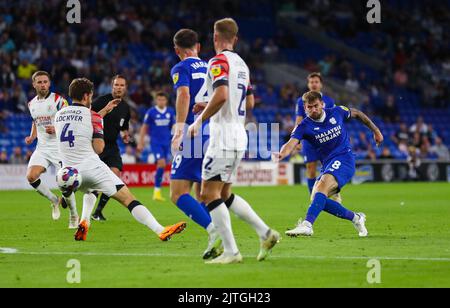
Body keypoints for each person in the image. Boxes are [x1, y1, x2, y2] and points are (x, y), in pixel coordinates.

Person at [188, 18, 280, 264]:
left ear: (215, 37)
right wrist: (212, 105)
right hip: (239, 135)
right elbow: (249, 102)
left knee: (206, 193)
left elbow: (221, 94)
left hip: (223, 136)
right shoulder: (242, 64)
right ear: (235, 39)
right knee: (224, 193)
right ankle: (266, 233)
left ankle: (231, 252)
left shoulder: (218, 61)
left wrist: (199, 121)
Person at [54, 77, 186, 242]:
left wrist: (102, 114)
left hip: (69, 173)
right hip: (91, 167)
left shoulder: (59, 115)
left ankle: (84, 221)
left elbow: (79, 122)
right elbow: (99, 148)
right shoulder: (93, 117)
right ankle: (160, 230)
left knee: (90, 190)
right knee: (128, 198)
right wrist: (98, 126)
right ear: (87, 96)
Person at [274, 91, 384, 237]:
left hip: (345, 158)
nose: (313, 110)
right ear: (305, 108)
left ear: (322, 104)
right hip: (328, 164)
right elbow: (290, 143)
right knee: (317, 199)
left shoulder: (337, 112)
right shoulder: (304, 126)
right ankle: (356, 218)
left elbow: (357, 113)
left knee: (322, 187)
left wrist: (375, 130)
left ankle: (307, 225)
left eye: (316, 106)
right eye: (309, 107)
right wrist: (282, 153)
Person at [168, 28, 222, 260]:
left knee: (178, 192)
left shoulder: (181, 67)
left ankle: (215, 232)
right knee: (204, 193)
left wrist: (180, 127)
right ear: (198, 47)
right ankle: (225, 239)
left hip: (194, 131)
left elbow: (184, 95)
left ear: (176, 50)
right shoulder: (212, 65)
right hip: (215, 130)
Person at [25, 71, 78, 228]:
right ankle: (54, 200)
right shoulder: (31, 104)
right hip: (42, 148)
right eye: (39, 82)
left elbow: (70, 119)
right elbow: (35, 122)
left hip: (60, 148)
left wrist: (56, 128)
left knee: (67, 185)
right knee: (31, 176)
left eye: (45, 82)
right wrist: (32, 136)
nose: (43, 85)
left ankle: (74, 215)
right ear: (34, 84)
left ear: (49, 83)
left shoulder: (59, 100)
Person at [91, 75, 131, 221]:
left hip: (112, 146)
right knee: (94, 182)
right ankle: (71, 199)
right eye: (116, 85)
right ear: (112, 86)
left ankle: (98, 212)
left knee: (114, 176)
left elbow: (124, 126)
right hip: (97, 144)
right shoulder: (100, 101)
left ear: (125, 88)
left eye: (122, 85)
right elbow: (89, 117)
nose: (119, 88)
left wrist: (125, 135)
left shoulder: (126, 108)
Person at [295, 73, 336, 196]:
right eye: (311, 82)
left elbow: (335, 119)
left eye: (316, 81)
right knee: (310, 169)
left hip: (326, 139)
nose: (314, 84)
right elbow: (299, 120)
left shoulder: (329, 101)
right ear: (308, 84)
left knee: (329, 169)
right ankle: (313, 197)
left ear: (321, 84)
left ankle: (333, 191)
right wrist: (297, 140)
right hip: (309, 140)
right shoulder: (301, 101)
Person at [137, 92, 175, 201]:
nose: (161, 101)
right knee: (161, 163)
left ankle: (158, 191)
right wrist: (141, 142)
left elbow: (173, 126)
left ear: (166, 101)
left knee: (163, 166)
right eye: (159, 99)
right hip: (156, 143)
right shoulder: (151, 112)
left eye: (163, 100)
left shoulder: (170, 112)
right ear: (156, 100)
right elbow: (144, 127)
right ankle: (157, 191)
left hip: (167, 143)